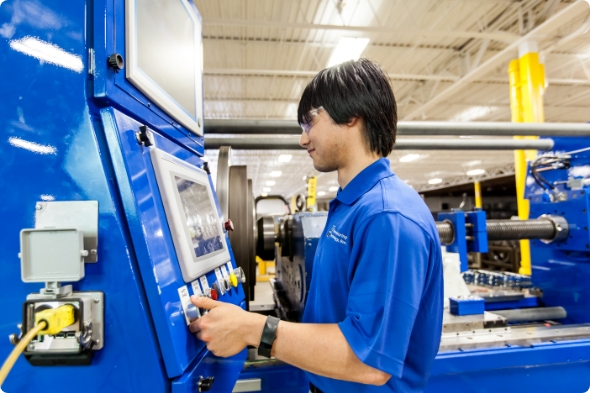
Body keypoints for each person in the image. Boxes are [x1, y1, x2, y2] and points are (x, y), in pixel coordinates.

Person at [190, 58, 443, 392]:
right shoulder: (350, 205)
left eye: (310, 121)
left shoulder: (387, 217)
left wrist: (254, 329)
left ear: (351, 114)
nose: (302, 138)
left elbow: (368, 362)